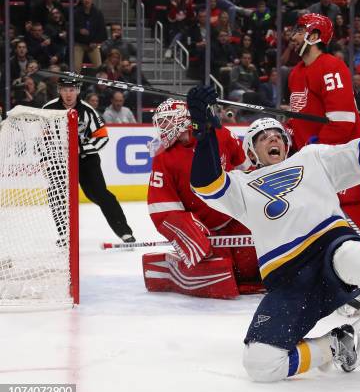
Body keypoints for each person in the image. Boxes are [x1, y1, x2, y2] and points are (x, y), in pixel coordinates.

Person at [188, 84, 360, 382]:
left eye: (278, 135)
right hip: (289, 284)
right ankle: (336, 344)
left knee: (353, 254)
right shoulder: (241, 186)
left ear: (287, 143)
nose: (272, 138)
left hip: (331, 257)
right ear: (251, 152)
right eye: (261, 137)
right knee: (260, 364)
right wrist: (203, 128)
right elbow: (205, 184)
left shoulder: (312, 158)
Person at [144, 98, 260, 299]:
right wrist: (187, 230)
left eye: (167, 121)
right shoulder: (164, 157)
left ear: (184, 120)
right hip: (205, 230)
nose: (162, 128)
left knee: (253, 267)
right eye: (160, 122)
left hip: (235, 217)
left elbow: (249, 173)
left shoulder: (222, 135)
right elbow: (161, 207)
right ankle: (173, 269)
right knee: (223, 271)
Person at [287, 14, 360, 232]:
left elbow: (342, 120)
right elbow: (301, 115)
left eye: (299, 30)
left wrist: (316, 147)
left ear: (314, 36)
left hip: (342, 159)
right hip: (314, 161)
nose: (293, 35)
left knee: (349, 221)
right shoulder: (296, 73)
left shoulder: (331, 66)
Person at [43, 78, 135, 243]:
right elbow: (39, 138)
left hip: (86, 161)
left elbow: (102, 136)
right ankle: (65, 235)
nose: (68, 94)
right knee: (56, 195)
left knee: (100, 194)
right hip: (59, 162)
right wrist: (45, 157)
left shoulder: (87, 110)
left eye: (72, 90)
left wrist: (81, 149)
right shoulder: (48, 110)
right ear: (59, 90)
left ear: (77, 90)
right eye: (65, 90)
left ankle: (124, 232)